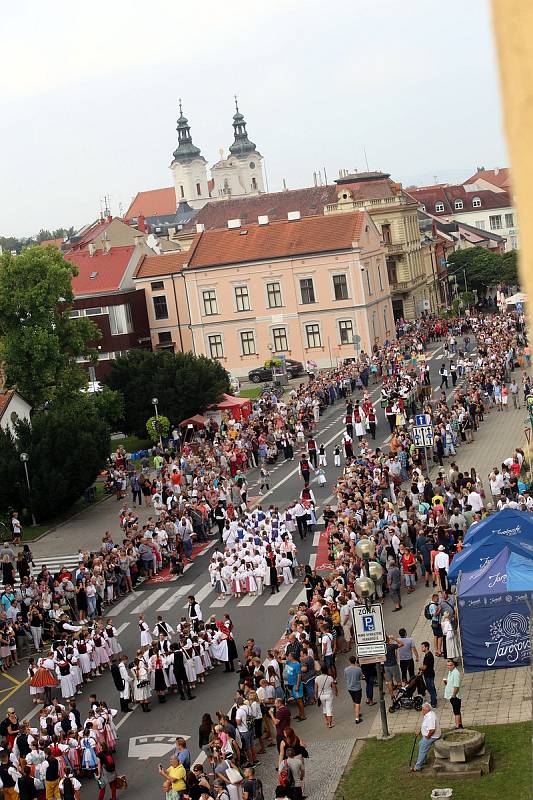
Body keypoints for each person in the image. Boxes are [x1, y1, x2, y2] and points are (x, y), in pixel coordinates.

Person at [411, 702, 441, 773]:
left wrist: (427, 737)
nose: (421, 711)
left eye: (422, 709)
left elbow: (432, 730)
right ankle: (423, 760)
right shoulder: (428, 714)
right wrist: (421, 731)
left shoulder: (430, 717)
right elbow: (426, 726)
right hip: (429, 735)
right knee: (421, 743)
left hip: (432, 736)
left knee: (422, 750)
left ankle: (417, 767)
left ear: (425, 710)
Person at [314, 665, 337, 729]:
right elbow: (334, 686)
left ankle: (327, 721)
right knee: (329, 708)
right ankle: (330, 724)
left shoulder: (317, 678)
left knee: (324, 707)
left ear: (321, 670)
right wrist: (336, 692)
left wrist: (315, 696)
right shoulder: (330, 678)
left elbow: (316, 689)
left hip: (321, 695)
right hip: (328, 694)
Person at [443, 659, 463, 729]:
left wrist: (454, 695)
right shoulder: (450, 672)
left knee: (456, 711)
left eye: (450, 665)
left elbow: (456, 686)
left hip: (455, 696)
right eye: (447, 665)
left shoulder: (456, 673)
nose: (448, 667)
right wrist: (446, 683)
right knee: (457, 710)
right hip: (451, 695)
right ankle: (460, 724)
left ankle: (457, 726)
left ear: (453, 665)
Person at [344, 656, 363, 724]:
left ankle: (357, 712)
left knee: (354, 701)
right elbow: (361, 677)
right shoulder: (358, 669)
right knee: (358, 702)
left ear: (349, 661)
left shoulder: (346, 669)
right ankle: (357, 718)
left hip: (350, 688)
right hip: (357, 688)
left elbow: (345, 677)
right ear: (355, 661)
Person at [420, 642, 437, 708]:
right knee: (432, 687)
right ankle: (434, 699)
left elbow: (424, 667)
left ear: (426, 647)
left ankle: (433, 702)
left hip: (428, 675)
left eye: (422, 647)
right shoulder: (429, 654)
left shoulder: (427, 656)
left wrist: (420, 668)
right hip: (430, 673)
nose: (421, 648)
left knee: (430, 688)